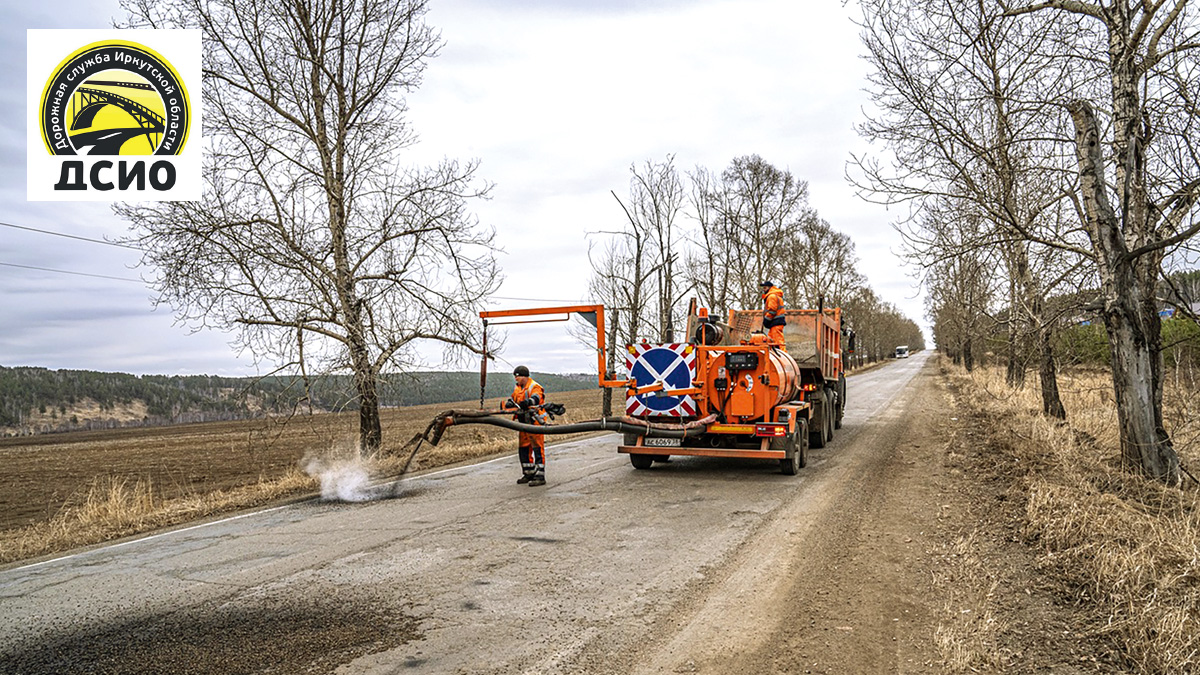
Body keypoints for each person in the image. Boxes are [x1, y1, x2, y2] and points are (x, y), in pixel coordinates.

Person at [502, 365, 547, 487]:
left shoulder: (534, 386)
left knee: (537, 448)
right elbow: (514, 401)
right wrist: (507, 404)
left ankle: (540, 475)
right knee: (523, 448)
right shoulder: (518, 388)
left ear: (524, 376)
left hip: (534, 422)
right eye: (515, 377)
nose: (516, 379)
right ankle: (529, 472)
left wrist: (529, 402)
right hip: (523, 423)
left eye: (517, 377)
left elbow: (537, 398)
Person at [760, 281, 787, 348]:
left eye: (765, 287)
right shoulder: (774, 295)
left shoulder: (771, 296)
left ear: (770, 288)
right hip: (775, 323)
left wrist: (766, 320)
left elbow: (772, 310)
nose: (764, 289)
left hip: (776, 322)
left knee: (778, 342)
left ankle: (782, 356)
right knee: (772, 341)